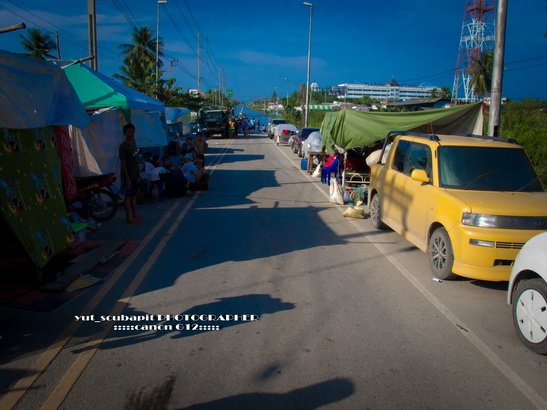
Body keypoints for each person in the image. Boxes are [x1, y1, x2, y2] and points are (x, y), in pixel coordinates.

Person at [119, 123, 142, 224]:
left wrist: (138, 174)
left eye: (132, 132)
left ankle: (135, 214)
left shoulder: (134, 142)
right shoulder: (123, 146)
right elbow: (123, 163)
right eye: (128, 132)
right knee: (128, 197)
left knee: (134, 195)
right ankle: (129, 217)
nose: (131, 134)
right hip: (128, 175)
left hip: (135, 174)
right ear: (125, 133)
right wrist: (127, 178)